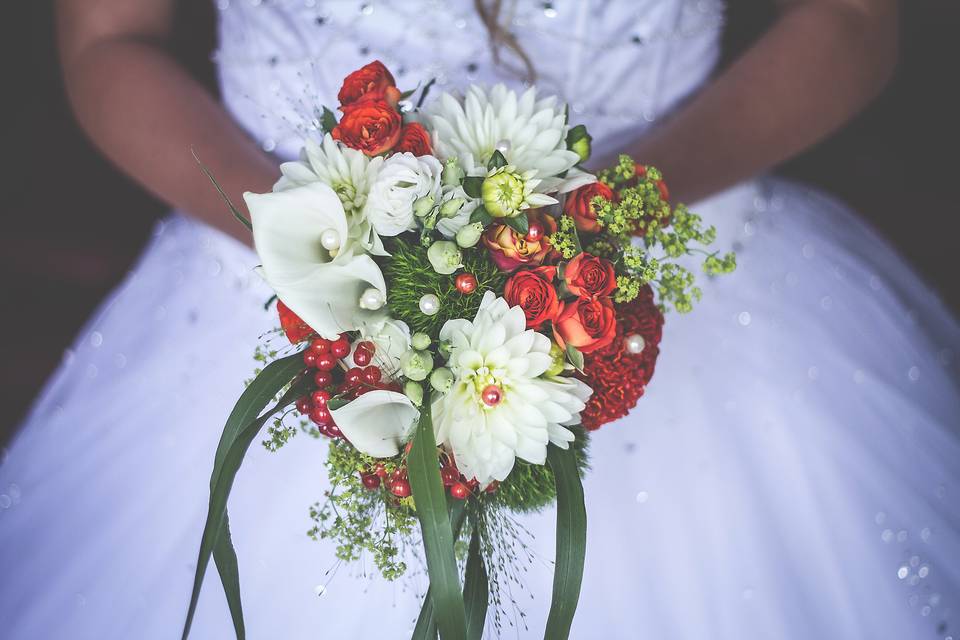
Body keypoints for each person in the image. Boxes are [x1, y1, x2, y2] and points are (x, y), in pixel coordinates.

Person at [1, 0, 957, 638]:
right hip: (269, 279)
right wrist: (328, 253)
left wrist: (602, 221)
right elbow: (103, 43)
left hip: (690, 276)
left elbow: (858, 19)